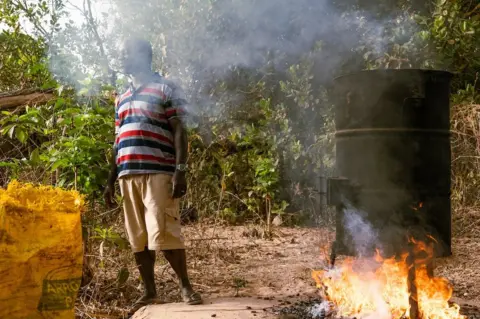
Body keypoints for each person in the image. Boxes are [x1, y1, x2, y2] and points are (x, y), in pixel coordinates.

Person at [103, 37, 202, 313]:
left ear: (142, 56)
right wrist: (111, 180)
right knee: (138, 237)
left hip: (158, 171)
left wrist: (180, 170)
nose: (121, 58)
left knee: (165, 231)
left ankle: (185, 286)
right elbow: (117, 142)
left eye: (125, 54)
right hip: (127, 174)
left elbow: (180, 130)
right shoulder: (121, 97)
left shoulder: (166, 87)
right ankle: (149, 292)